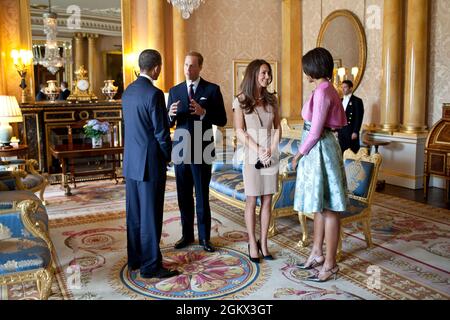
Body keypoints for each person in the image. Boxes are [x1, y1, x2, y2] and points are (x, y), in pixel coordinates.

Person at [291, 47, 348, 282]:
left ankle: (331, 264)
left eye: (306, 67)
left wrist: (298, 155)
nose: (305, 71)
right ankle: (316, 253)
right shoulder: (323, 88)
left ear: (314, 68)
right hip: (320, 150)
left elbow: (315, 131)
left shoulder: (324, 91)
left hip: (320, 149)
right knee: (320, 205)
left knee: (329, 207)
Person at [122, 49, 178, 279]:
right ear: (156, 68)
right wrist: (169, 156)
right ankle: (151, 266)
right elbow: (160, 133)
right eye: (160, 67)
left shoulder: (128, 92)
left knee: (134, 214)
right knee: (151, 215)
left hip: (131, 163)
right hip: (150, 164)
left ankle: (135, 259)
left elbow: (138, 125)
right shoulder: (154, 94)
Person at [168, 51, 227, 252]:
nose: (188, 69)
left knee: (201, 195)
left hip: (203, 148)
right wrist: (170, 115)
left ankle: (204, 238)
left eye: (192, 66)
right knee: (183, 195)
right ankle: (187, 235)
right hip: (181, 149)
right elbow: (169, 122)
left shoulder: (212, 90)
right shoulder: (174, 91)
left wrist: (204, 114)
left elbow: (222, 120)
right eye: (185, 65)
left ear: (200, 67)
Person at [233, 59, 281, 263]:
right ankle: (252, 242)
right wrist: (258, 149)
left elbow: (278, 128)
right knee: (252, 199)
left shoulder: (273, 100)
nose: (267, 77)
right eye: (263, 73)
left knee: (268, 199)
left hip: (270, 155)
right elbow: (239, 131)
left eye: (268, 73)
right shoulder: (240, 100)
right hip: (252, 155)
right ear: (253, 74)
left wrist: (270, 149)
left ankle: (264, 243)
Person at [337, 80, 364, 154]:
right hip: (341, 131)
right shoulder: (340, 100)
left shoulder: (357, 101)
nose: (343, 89)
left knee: (351, 153)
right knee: (341, 152)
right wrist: (336, 130)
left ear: (351, 88)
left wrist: (355, 131)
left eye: (345, 87)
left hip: (351, 131)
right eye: (342, 87)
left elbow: (359, 117)